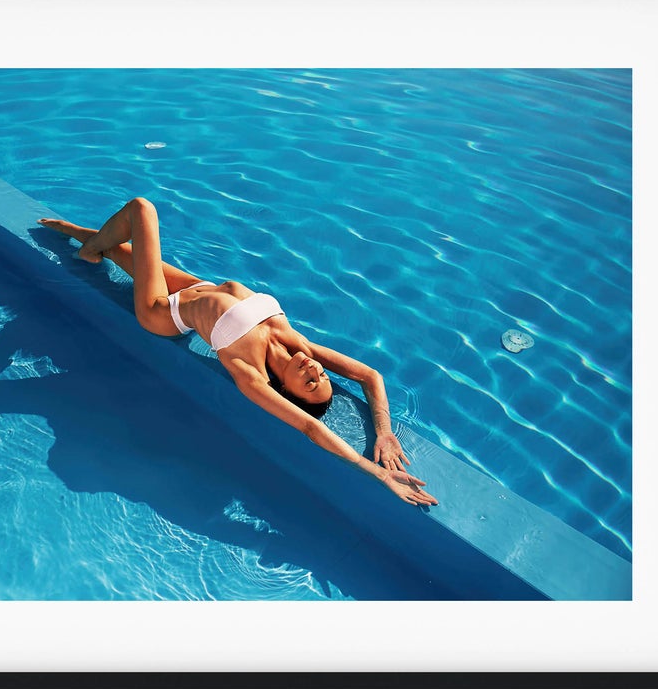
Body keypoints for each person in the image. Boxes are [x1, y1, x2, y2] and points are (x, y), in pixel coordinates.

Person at [39, 198, 437, 507]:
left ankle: (86, 244)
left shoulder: (250, 373)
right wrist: (383, 433)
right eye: (322, 378)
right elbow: (371, 376)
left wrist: (378, 474)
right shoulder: (296, 342)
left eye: (310, 382)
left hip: (164, 311)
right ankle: (84, 242)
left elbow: (311, 428)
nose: (316, 370)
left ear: (287, 388)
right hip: (198, 285)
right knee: (113, 247)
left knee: (142, 210)